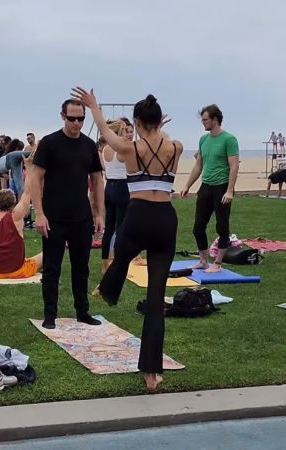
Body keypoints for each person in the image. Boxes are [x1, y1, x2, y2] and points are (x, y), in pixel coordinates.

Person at [73, 88, 181, 391]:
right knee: (156, 299)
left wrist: (93, 106)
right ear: (159, 121)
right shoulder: (178, 147)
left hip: (139, 216)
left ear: (136, 120)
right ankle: (151, 373)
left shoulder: (130, 149)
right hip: (165, 219)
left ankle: (107, 288)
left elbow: (106, 132)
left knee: (120, 256)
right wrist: (159, 129)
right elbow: (164, 141)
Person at [30, 98, 104, 330]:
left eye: (81, 118)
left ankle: (82, 312)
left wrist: (99, 213)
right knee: (52, 268)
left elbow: (97, 180)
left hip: (81, 216)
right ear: (62, 116)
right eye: (72, 118)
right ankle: (50, 314)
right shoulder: (50, 143)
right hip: (53, 217)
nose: (76, 123)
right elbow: (34, 178)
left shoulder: (89, 145)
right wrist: (39, 214)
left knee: (81, 267)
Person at [179, 104, 240, 274]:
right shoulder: (203, 140)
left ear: (214, 120)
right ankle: (203, 261)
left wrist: (229, 191)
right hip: (206, 187)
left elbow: (234, 166)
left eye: (205, 120)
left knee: (222, 227)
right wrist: (187, 185)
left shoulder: (229, 139)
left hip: (222, 187)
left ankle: (218, 263)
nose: (203, 123)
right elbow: (199, 165)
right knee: (198, 227)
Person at [0, 155, 42, 279]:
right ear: (13, 203)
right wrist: (28, 167)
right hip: (19, 270)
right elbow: (27, 192)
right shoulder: (15, 216)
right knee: (48, 254)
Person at [100, 118, 132, 272]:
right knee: (121, 228)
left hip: (109, 188)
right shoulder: (123, 147)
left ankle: (105, 264)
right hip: (122, 187)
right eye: (125, 129)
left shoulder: (105, 148)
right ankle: (118, 264)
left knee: (109, 228)